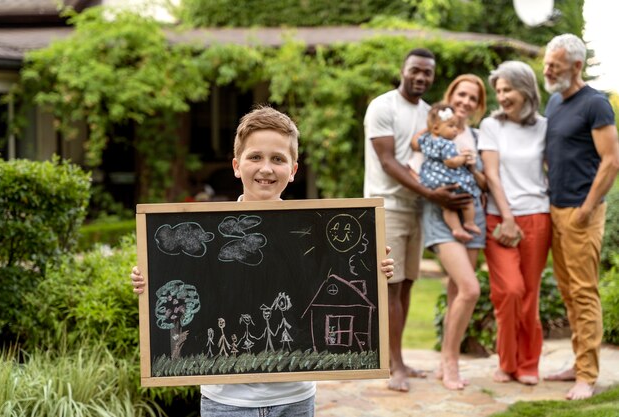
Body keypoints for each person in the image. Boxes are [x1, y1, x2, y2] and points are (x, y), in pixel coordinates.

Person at [131, 106, 395, 416]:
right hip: (227, 401)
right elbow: (173, 281)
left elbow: (344, 278)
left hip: (294, 397)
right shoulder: (211, 231)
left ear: (293, 170)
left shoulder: (313, 232)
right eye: (255, 157)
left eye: (278, 159)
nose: (266, 168)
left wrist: (375, 270)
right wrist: (149, 278)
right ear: (236, 165)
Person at [363, 48, 472, 392]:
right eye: (416, 70)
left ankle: (401, 359)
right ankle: (394, 366)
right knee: (391, 287)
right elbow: (388, 162)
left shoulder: (431, 114)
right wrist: (433, 193)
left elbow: (434, 157)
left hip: (418, 208)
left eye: (427, 73)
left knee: (408, 284)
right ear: (403, 70)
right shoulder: (383, 106)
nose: (421, 77)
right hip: (388, 206)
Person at [542, 34, 619, 400]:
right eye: (545, 63)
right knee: (570, 293)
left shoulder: (596, 104)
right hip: (556, 209)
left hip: (581, 212)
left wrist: (587, 209)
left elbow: (612, 160)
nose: (547, 69)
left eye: (554, 65)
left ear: (576, 65)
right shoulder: (555, 101)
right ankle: (577, 363)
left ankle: (587, 376)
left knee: (584, 293)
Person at [478, 61, 551, 387]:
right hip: (499, 218)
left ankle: (528, 363)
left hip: (538, 215)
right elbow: (491, 174)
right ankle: (506, 361)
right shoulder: (492, 126)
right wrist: (507, 217)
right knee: (509, 290)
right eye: (499, 91)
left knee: (530, 294)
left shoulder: (545, 127)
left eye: (508, 89)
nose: (503, 96)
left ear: (526, 89)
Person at [420, 74, 488, 390]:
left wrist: (472, 168)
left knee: (456, 291)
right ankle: (450, 360)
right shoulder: (432, 128)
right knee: (470, 289)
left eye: (472, 98)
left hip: (473, 213)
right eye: (461, 94)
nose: (465, 102)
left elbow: (485, 182)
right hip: (442, 215)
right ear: (451, 95)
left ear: (478, 105)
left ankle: (445, 359)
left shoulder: (475, 135)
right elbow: (414, 154)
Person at [412, 103, 482, 242]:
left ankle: (457, 229)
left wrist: (429, 128)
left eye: (456, 126)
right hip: (448, 179)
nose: (455, 130)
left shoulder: (426, 139)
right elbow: (450, 162)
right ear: (437, 128)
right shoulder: (447, 144)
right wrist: (463, 158)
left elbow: (414, 142)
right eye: (451, 126)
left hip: (431, 179)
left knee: (447, 207)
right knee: (467, 199)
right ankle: (469, 222)